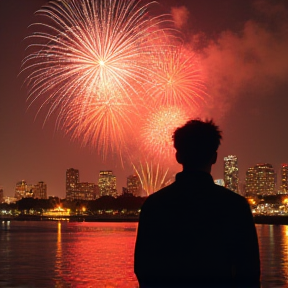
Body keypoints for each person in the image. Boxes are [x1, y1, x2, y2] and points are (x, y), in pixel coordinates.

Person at [134, 119, 260, 288]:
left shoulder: (154, 205)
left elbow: (143, 268)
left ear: (178, 156)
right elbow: (249, 273)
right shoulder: (236, 206)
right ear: (214, 157)